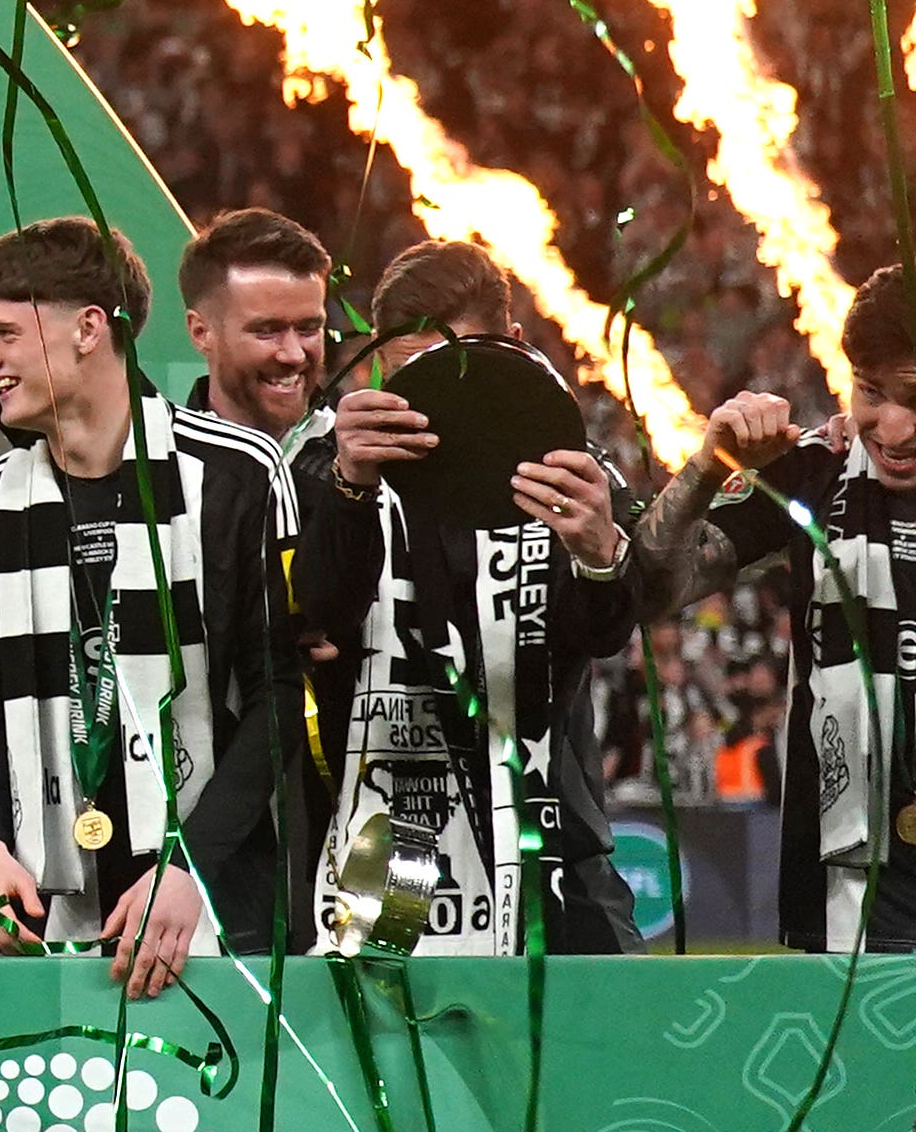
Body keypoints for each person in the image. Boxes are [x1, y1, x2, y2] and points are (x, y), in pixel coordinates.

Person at [0, 218, 303, 998]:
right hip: (45, 913)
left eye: (4, 334)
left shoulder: (237, 475)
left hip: (208, 905)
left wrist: (190, 870)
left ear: (88, 329)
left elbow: (279, 701)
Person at [300, 240, 634, 954]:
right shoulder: (332, 470)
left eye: (455, 366)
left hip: (547, 839)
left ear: (511, 345)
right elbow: (321, 610)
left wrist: (600, 555)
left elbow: (603, 632)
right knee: (395, 1057)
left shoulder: (570, 469)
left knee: (589, 1053)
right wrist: (350, 487)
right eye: (408, 370)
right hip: (393, 853)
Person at [653, 267, 916, 951]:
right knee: (869, 1059)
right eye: (871, 392)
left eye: (914, 399)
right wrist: (708, 466)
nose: (890, 427)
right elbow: (656, 586)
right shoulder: (817, 472)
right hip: (858, 871)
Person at [178, 208, 336, 440]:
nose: (294, 355)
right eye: (267, 331)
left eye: (308, 329)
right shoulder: (162, 468)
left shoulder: (366, 463)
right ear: (201, 333)